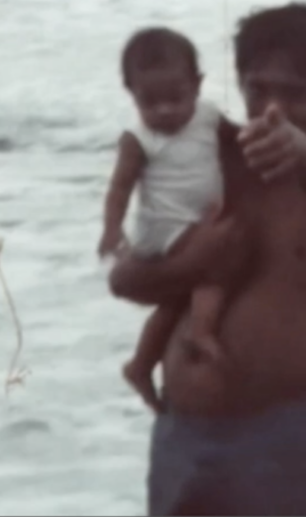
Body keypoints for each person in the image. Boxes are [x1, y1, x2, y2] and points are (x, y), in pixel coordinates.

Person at [108, 2, 306, 516]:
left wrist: (301, 150)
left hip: (282, 438)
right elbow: (125, 279)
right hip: (182, 435)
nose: (271, 109)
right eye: (258, 89)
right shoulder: (218, 167)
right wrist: (191, 263)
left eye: (295, 93)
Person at [99, 27, 247, 414]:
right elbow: (119, 188)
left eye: (175, 98)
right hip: (164, 229)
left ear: (197, 86)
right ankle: (200, 332)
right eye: (150, 102)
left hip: (192, 222)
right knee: (216, 265)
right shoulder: (138, 138)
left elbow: (240, 138)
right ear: (130, 92)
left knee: (177, 301)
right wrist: (112, 230)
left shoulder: (209, 118)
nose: (164, 110)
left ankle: (141, 364)